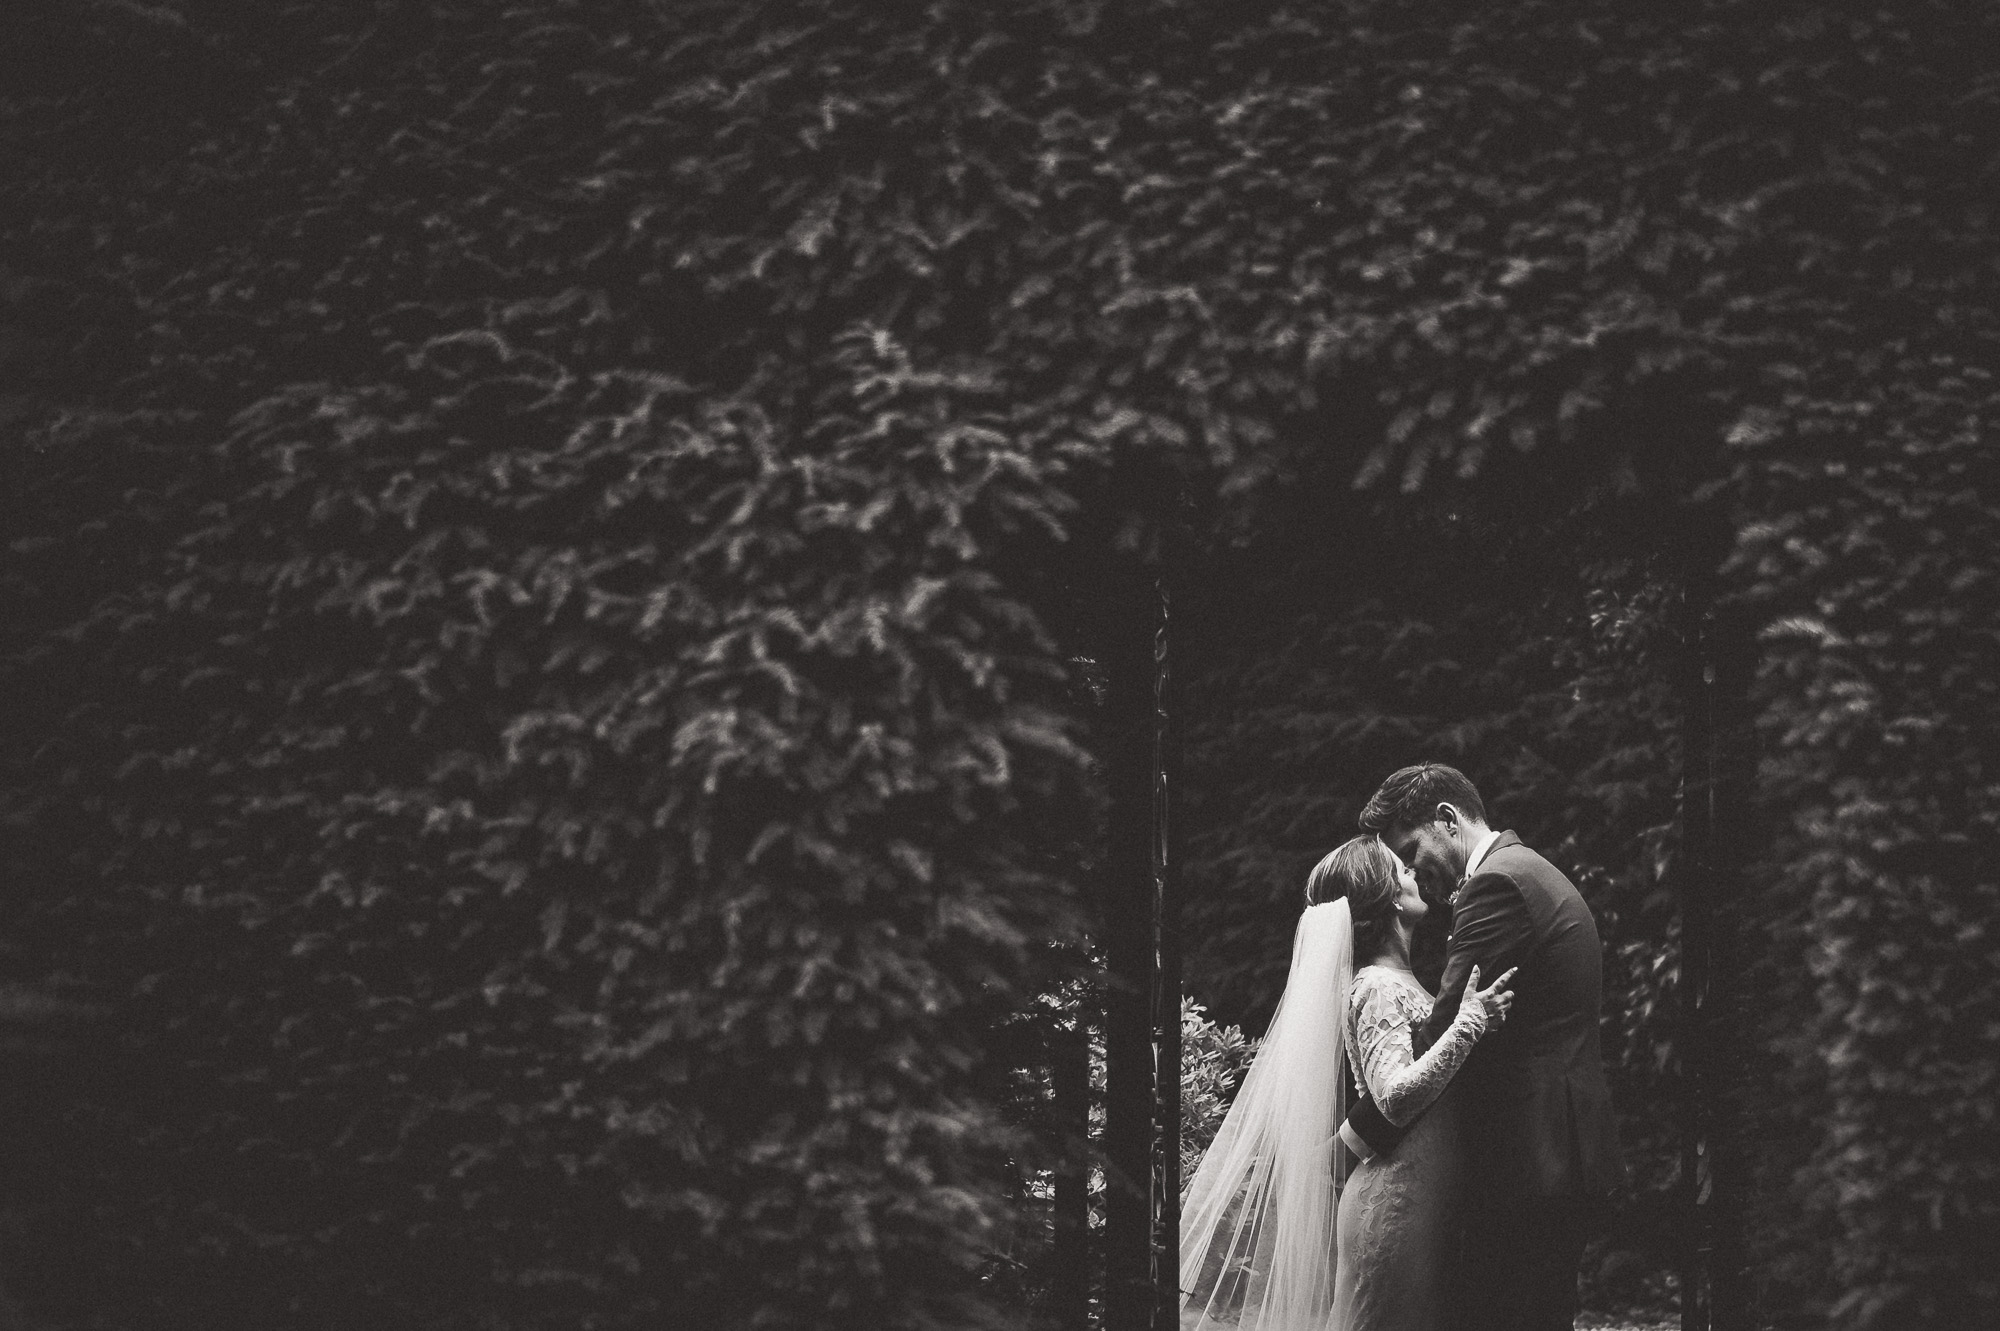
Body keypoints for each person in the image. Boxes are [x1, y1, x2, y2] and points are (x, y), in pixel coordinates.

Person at [1178, 835, 1514, 1331]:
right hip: (1395, 1199)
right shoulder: (1376, 986)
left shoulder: (1399, 980)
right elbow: (1395, 1097)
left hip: (1423, 1194)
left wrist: (1477, 1026)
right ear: (1391, 900)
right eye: (1404, 871)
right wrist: (1468, 1025)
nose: (1416, 874)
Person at [1338, 763, 1623, 1331]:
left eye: (1410, 850)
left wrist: (1345, 1144)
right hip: (1553, 1147)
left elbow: (1437, 1036)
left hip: (1527, 1159)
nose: (1412, 871)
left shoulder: (1496, 886)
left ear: (1447, 820)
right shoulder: (1528, 871)